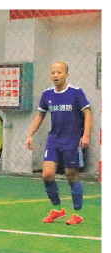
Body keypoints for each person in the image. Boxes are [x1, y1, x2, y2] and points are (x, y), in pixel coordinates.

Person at [26, 62, 92, 225]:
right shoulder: (47, 94)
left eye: (59, 72)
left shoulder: (76, 92)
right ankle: (57, 209)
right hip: (54, 140)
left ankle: (78, 214)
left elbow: (88, 113)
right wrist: (30, 135)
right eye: (53, 73)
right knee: (47, 174)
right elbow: (40, 115)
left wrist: (86, 135)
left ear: (66, 75)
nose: (55, 75)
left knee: (71, 175)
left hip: (72, 140)